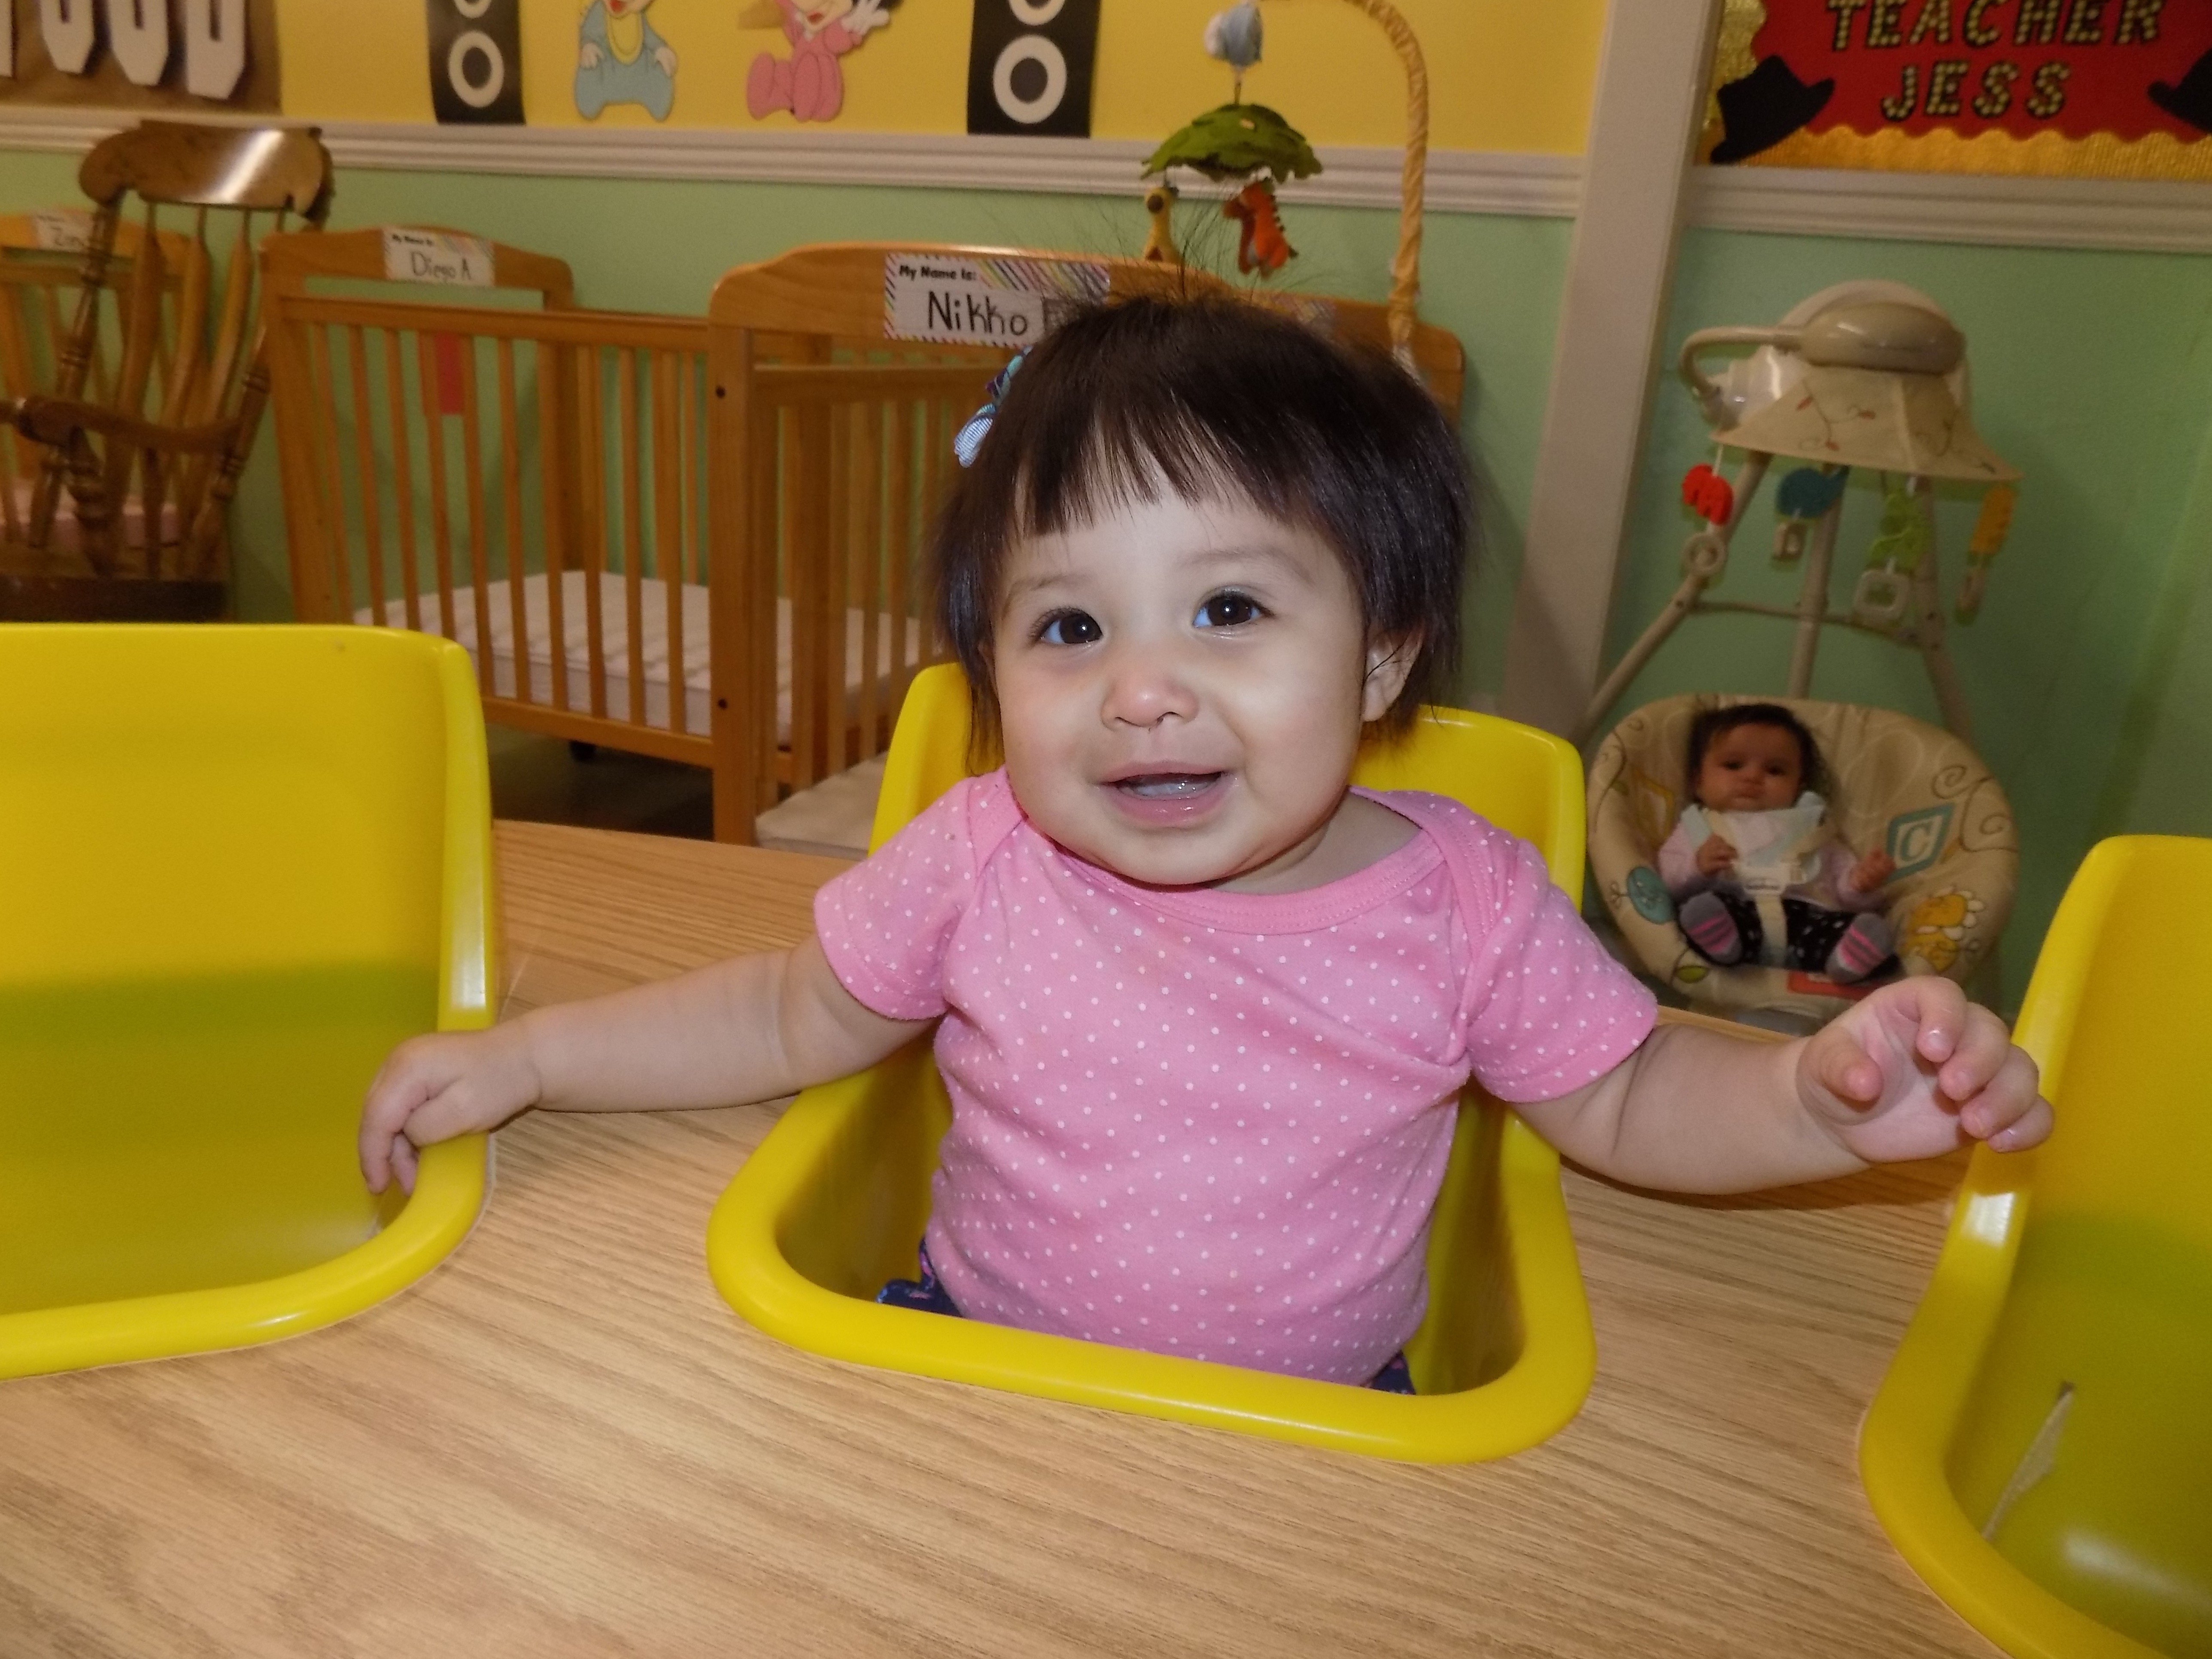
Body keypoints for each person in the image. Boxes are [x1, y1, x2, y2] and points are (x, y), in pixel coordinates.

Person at [359, 297, 2048, 1392]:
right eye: (1069, 630)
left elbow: (1622, 1099)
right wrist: (530, 1060)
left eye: (1228, 608)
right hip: (968, 1376)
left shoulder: (1459, 901)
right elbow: (783, 1015)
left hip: (1316, 1433)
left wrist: (1822, 1108)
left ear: (1380, 653)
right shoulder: (977, 860)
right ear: (986, 677)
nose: (1143, 694)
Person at [1657, 704, 1897, 982]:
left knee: (1851, 929)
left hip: (1808, 920)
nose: (1752, 777)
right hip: (1736, 914)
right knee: (1699, 912)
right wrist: (1697, 866)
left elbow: (1841, 883)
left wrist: (1860, 883)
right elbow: (1666, 881)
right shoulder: (1697, 828)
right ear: (1698, 782)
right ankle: (1724, 944)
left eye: (1775, 771)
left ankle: (1846, 959)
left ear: (1798, 786)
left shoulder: (1811, 827)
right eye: (1733, 765)